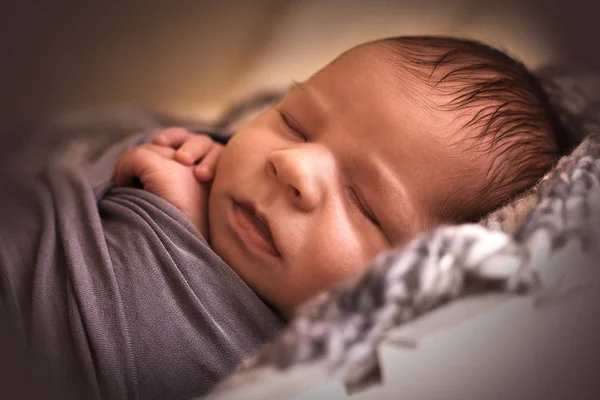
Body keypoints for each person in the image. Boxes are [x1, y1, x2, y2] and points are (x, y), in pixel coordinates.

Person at [0, 36, 567, 399]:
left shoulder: (295, 372)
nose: (289, 164)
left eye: (364, 202)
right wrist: (177, 194)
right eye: (295, 122)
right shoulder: (201, 161)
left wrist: (180, 236)